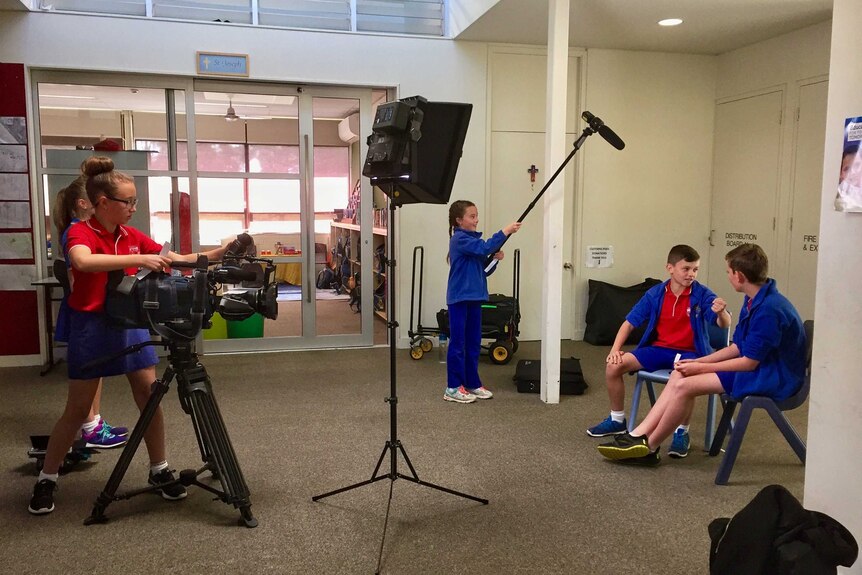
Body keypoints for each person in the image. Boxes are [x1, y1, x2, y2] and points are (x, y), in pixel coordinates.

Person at [29, 156, 229, 515]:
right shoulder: (80, 231)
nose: (134, 208)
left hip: (131, 320)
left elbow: (177, 258)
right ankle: (47, 477)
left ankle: (159, 470)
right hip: (92, 325)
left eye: (135, 201)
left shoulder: (130, 236)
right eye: (128, 202)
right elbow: (82, 261)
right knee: (77, 410)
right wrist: (133, 261)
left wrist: (217, 254)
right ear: (102, 202)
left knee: (149, 397)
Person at [597, 243, 806, 466]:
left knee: (683, 385)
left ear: (740, 276)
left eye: (728, 272)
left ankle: (649, 447)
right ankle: (637, 436)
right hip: (760, 367)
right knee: (680, 375)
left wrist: (700, 367)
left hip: (772, 376)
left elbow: (748, 362)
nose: (727, 276)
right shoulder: (755, 298)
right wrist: (698, 362)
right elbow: (737, 348)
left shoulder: (768, 310)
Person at [586, 244, 731, 460]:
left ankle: (682, 432)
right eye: (686, 269)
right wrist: (615, 350)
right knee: (613, 366)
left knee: (683, 377)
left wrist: (721, 314)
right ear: (670, 268)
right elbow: (629, 323)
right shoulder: (655, 294)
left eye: (695, 269)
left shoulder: (702, 294)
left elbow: (724, 324)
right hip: (659, 349)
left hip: (691, 352)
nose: (691, 274)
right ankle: (617, 420)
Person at [51, 176, 128, 449]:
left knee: (96, 373)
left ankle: (94, 423)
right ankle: (89, 426)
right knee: (86, 377)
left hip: (94, 309)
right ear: (84, 204)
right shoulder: (75, 231)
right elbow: (83, 264)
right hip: (83, 312)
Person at [444, 200, 521, 403]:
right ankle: (452, 387)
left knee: (473, 343)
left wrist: (494, 259)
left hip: (475, 298)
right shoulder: (460, 239)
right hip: (460, 299)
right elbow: (485, 246)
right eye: (472, 216)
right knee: (458, 343)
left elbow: (483, 270)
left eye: (476, 215)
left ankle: (471, 382)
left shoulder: (472, 243)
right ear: (459, 220)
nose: (476, 220)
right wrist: (505, 231)